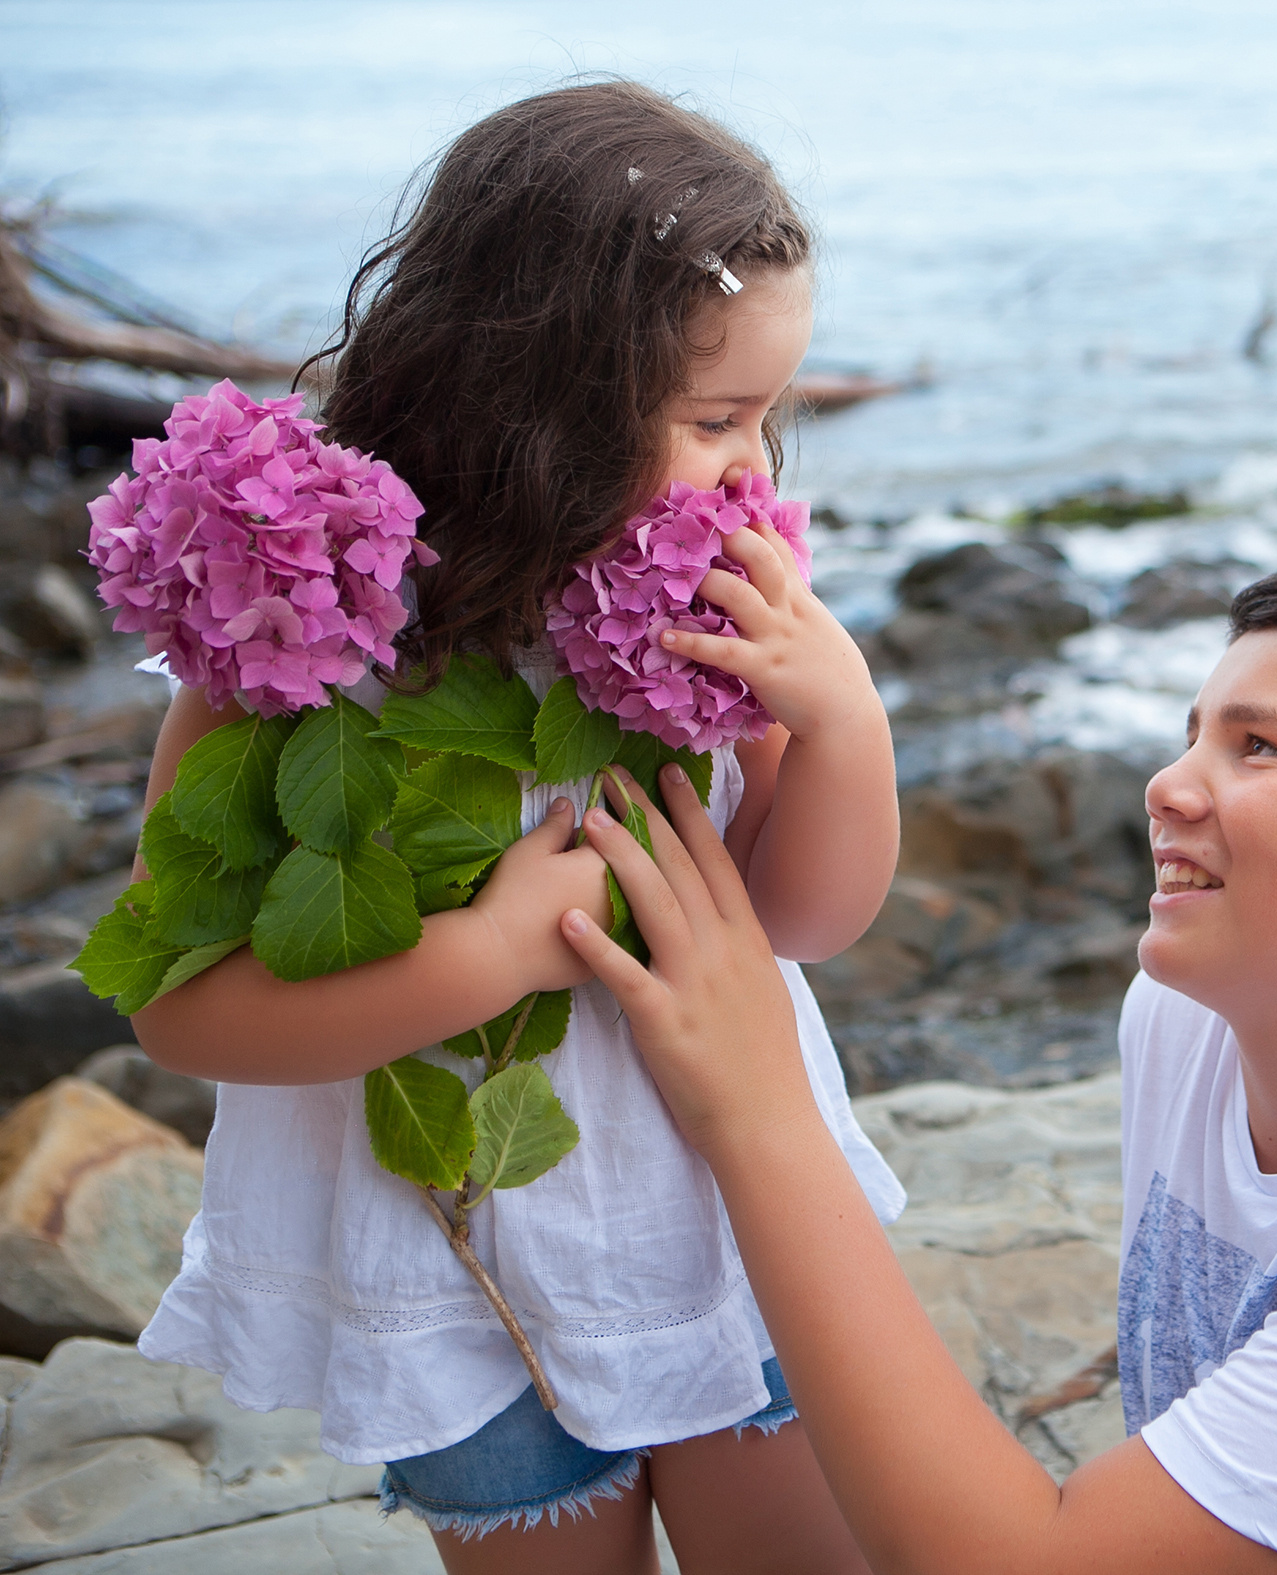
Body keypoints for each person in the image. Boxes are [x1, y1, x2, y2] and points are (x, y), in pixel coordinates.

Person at [566, 558, 1277, 1574]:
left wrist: (760, 1110)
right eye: (1193, 734)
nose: (1169, 786)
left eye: (1258, 748)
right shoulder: (1188, 1026)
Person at [130, 82, 898, 1575]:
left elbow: (802, 918)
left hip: (733, 1229)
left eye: (772, 417)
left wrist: (844, 717)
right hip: (454, 1277)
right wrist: (481, 955)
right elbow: (176, 1010)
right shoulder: (304, 650)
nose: (755, 469)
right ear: (539, 402)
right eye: (716, 419)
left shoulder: (711, 625)